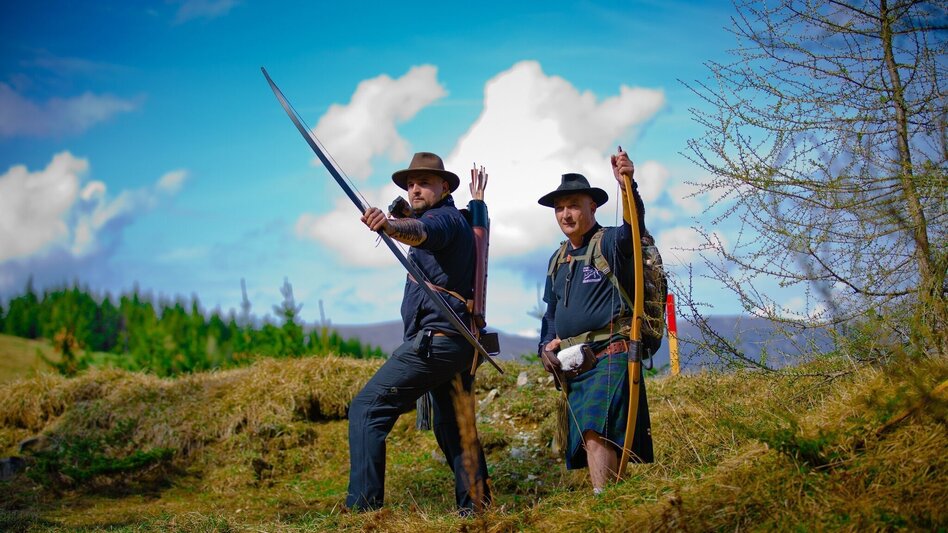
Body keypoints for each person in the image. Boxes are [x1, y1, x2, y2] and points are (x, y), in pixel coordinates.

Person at [347, 151, 491, 515]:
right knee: (455, 430)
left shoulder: (443, 220)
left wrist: (391, 227)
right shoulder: (451, 219)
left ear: (444, 187)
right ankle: (477, 511)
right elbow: (419, 225)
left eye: (424, 182)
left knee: (367, 409)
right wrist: (400, 219)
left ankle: (363, 513)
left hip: (437, 344)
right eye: (411, 183)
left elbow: (422, 232)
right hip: (455, 344)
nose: (414, 189)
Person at [537, 149, 654, 494]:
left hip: (612, 352)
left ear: (593, 207)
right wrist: (544, 345)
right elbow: (551, 311)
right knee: (595, 435)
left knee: (594, 427)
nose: (566, 214)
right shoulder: (557, 259)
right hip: (574, 364)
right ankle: (617, 501)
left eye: (573, 205)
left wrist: (627, 187)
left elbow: (636, 227)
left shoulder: (612, 243)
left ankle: (604, 501)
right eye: (560, 208)